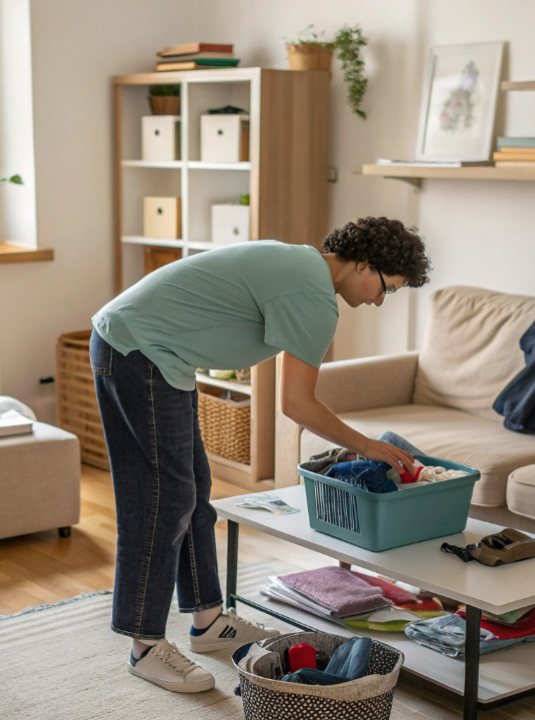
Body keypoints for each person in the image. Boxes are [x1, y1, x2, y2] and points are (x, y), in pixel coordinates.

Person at [90, 217, 431, 693]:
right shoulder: (313, 298)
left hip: (144, 350)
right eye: (384, 288)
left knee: (192, 493)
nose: (377, 300)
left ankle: (207, 621)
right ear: (363, 264)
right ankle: (144, 648)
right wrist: (369, 446)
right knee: (163, 503)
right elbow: (297, 404)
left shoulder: (302, 267)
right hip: (140, 351)